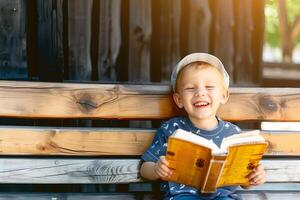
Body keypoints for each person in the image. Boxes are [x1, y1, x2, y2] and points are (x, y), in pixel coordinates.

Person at [140, 53, 266, 200]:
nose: (200, 93)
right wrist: (156, 169)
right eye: (190, 88)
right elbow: (144, 168)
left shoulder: (234, 134)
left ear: (224, 96)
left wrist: (253, 177)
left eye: (209, 87)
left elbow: (244, 182)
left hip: (222, 197)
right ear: (179, 100)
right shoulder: (172, 129)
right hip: (183, 196)